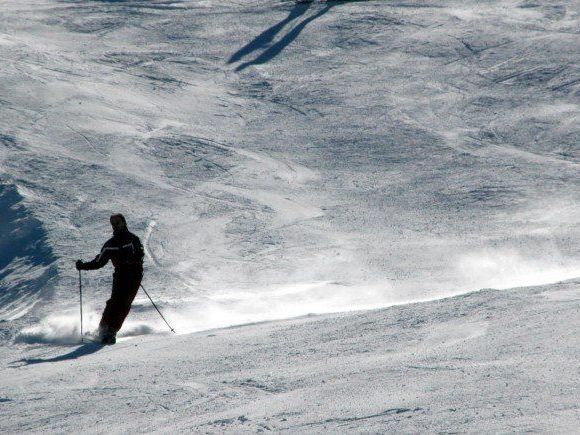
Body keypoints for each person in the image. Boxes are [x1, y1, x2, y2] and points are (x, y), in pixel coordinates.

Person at [76, 214, 144, 344]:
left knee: (124, 303)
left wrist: (131, 260)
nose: (115, 226)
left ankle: (112, 331)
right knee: (114, 302)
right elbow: (99, 261)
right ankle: (102, 329)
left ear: (124, 222)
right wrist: (83, 266)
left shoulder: (132, 239)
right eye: (113, 224)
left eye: (117, 223)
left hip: (134, 275)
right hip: (120, 275)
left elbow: (140, 254)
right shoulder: (110, 244)